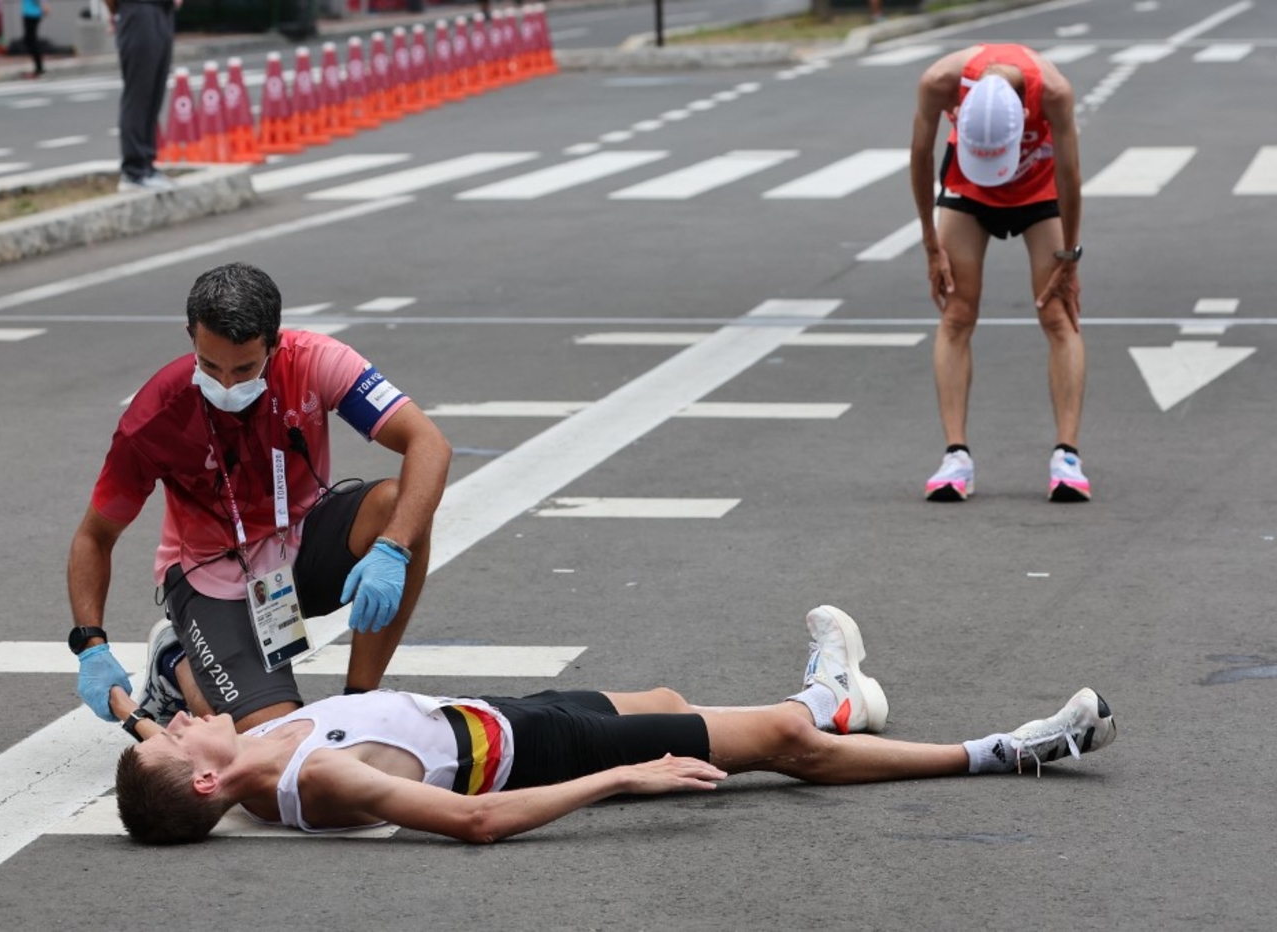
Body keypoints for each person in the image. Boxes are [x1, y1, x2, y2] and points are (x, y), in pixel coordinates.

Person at [111, 605, 1116, 845]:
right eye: (168, 740)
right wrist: (615, 782)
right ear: (204, 782)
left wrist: (137, 696)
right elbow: (469, 824)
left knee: (674, 698)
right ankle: (1008, 747)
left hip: (501, 716)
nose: (169, 727)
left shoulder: (247, 749)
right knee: (777, 746)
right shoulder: (306, 781)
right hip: (536, 752)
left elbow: (188, 720)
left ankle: (836, 695)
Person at [67, 262, 454, 739]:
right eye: (211, 367)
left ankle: (360, 703)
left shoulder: (316, 359)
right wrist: (91, 646)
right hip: (211, 577)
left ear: (275, 342)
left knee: (400, 505)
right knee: (270, 742)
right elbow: (94, 536)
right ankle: (177, 664)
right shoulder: (153, 417)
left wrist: (393, 548)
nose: (227, 385)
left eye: (245, 368)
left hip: (302, 547)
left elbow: (429, 444)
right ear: (192, 336)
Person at [910, 44, 1090, 503]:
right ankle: (956, 458)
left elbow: (1070, 176)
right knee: (956, 313)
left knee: (1057, 314)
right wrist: (931, 243)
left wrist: (1069, 258)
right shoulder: (939, 81)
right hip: (968, 192)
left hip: (1039, 191)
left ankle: (1067, 458)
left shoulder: (1054, 92)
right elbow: (920, 156)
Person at [106, 0, 181, 192]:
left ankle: (146, 165)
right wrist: (115, 11)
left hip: (161, 10)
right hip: (138, 10)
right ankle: (134, 170)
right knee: (139, 93)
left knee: (154, 92)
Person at [20, 0, 49, 78]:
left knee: (31, 41)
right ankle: (38, 67)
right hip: (29, 13)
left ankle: (39, 68)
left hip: (32, 14)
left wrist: (44, 5)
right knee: (29, 40)